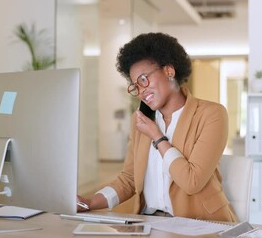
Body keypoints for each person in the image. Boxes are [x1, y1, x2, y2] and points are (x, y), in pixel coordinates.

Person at [77, 32, 237, 222]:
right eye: (135, 86)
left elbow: (192, 182)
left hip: (201, 224)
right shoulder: (141, 121)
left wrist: (157, 137)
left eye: (144, 79)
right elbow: (129, 179)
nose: (141, 91)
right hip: (149, 223)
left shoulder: (211, 114)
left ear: (169, 71)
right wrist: (89, 202)